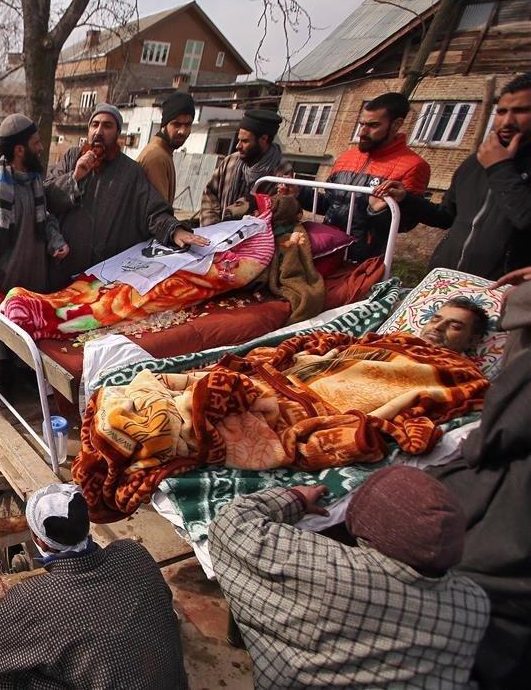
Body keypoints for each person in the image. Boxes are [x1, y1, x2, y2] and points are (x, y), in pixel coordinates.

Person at [208, 466, 489, 688]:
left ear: (367, 521)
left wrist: (295, 498)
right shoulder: (474, 605)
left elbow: (230, 526)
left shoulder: (325, 569)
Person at [0, 483, 187, 688]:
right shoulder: (132, 552)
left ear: (40, 542)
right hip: (171, 680)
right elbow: (164, 600)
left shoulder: (35, 598)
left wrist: (0, 610)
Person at [430, 271, 531, 686]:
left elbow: (494, 432)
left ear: (474, 342)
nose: (437, 328)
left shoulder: (465, 376)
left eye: (453, 325)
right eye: (436, 318)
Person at [374, 73, 531, 279]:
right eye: (501, 111)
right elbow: (446, 216)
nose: (507, 121)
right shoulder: (475, 162)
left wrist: (500, 168)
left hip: (500, 291)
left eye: (520, 111)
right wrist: (406, 199)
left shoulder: (494, 163)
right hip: (445, 278)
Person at [44, 104, 206, 284]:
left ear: (117, 132)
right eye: (94, 125)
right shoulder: (71, 158)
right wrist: (74, 177)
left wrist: (174, 230)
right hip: (62, 269)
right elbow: (48, 198)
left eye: (107, 126)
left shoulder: (130, 171)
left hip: (103, 276)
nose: (99, 131)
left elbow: (151, 210)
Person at [0, 113, 68, 303]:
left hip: (37, 296)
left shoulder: (35, 183)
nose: (41, 148)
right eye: (36, 142)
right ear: (20, 150)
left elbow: (44, 218)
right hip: (8, 304)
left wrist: (55, 240)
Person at [321, 92, 430, 263]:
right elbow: (330, 205)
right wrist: (298, 194)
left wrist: (377, 211)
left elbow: (404, 224)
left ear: (396, 124)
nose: (362, 132)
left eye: (373, 125)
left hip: (362, 261)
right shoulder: (346, 157)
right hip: (327, 248)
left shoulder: (413, 165)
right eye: (361, 124)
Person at [200, 109, 293, 225]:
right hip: (219, 235)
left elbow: (279, 213)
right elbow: (209, 195)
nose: (238, 146)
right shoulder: (231, 161)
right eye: (239, 139)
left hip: (256, 238)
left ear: (263, 139)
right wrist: (212, 229)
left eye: (245, 141)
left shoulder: (282, 172)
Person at [137, 91, 196, 205]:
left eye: (187, 124)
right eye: (176, 124)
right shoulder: (156, 157)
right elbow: (158, 215)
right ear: (164, 125)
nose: (182, 131)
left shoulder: (164, 153)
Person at [417, 296, 488, 353]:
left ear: (472, 341)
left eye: (454, 326)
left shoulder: (459, 370)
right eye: (435, 320)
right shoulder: (406, 343)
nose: (437, 326)